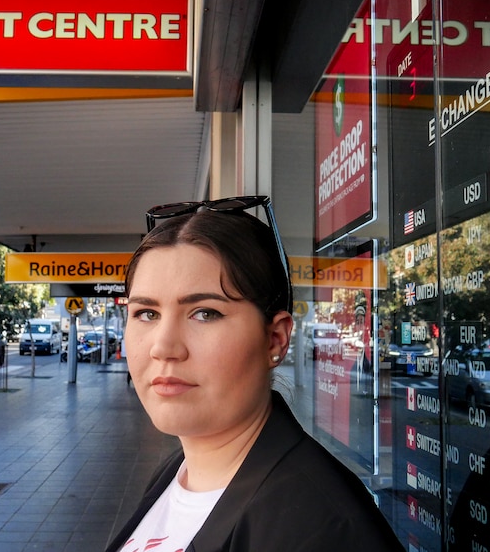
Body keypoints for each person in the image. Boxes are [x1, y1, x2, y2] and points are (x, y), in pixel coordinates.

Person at [106, 196, 404, 552]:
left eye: (205, 313)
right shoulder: (180, 471)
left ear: (274, 339)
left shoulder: (322, 527)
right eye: (146, 314)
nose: (163, 347)